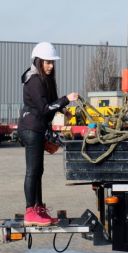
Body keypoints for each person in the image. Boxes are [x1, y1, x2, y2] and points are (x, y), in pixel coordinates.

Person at [18, 42, 78, 226]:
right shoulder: (34, 80)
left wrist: (63, 109)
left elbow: (49, 107)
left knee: (38, 171)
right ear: (38, 61)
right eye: (47, 62)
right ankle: (30, 211)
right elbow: (44, 109)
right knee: (33, 171)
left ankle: (39, 209)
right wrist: (65, 99)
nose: (50, 65)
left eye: (52, 62)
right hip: (31, 129)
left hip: (37, 129)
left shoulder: (43, 80)